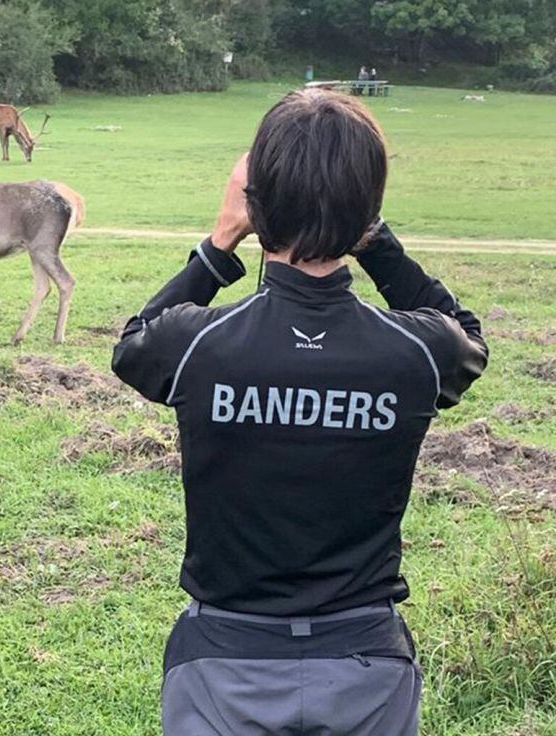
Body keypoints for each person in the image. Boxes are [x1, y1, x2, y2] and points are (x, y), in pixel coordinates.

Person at [112, 89, 487, 735]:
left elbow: (133, 344)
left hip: (221, 664)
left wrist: (222, 239)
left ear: (255, 205)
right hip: (368, 667)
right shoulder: (418, 352)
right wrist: (373, 240)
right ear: (368, 211)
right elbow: (468, 335)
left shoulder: (195, 344)